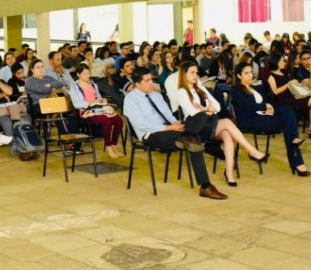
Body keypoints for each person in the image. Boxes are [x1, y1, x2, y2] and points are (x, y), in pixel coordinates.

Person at [124, 68, 227, 199]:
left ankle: (189, 137)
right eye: (147, 81)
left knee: (200, 116)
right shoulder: (130, 99)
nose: (151, 83)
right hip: (152, 135)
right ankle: (205, 186)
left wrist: (176, 124)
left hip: (172, 130)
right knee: (194, 139)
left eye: (151, 80)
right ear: (137, 84)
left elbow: (168, 115)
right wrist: (168, 127)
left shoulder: (156, 95)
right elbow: (141, 125)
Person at [172, 62, 269, 185]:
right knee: (227, 122)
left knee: (227, 135)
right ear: (184, 74)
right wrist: (208, 109)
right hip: (196, 128)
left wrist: (206, 109)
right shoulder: (181, 92)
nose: (196, 75)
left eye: (196, 72)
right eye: (192, 72)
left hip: (211, 123)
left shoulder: (200, 88)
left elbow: (217, 106)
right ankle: (252, 151)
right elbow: (193, 112)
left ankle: (229, 173)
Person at [230, 62, 309, 176]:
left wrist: (270, 106)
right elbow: (248, 106)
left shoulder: (255, 88)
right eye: (246, 73)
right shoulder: (236, 90)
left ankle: (294, 144)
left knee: (287, 110)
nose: (250, 75)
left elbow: (269, 101)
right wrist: (265, 106)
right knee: (288, 125)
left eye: (251, 72)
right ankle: (298, 162)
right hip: (251, 120)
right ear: (239, 75)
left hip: (263, 116)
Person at [69, 63, 123, 158]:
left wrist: (102, 100)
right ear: (78, 74)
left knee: (119, 120)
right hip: (86, 112)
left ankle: (113, 145)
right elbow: (76, 104)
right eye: (84, 73)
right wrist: (92, 103)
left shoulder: (93, 84)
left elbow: (98, 97)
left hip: (98, 110)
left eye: (88, 73)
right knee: (107, 121)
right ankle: (108, 146)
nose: (87, 75)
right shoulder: (74, 86)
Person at [267, 53, 311, 140]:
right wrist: (288, 84)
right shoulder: (271, 76)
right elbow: (275, 92)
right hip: (283, 99)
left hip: (292, 95)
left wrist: (296, 83)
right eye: (282, 61)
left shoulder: (284, 72)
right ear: (276, 62)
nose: (284, 62)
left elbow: (290, 84)